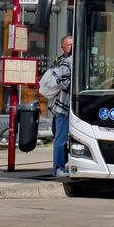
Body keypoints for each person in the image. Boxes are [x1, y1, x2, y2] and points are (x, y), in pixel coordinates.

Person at [45, 36, 73, 178]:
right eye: (69, 45)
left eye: (73, 45)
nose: (71, 47)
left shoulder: (70, 60)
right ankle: (58, 168)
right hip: (62, 106)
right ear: (63, 47)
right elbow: (59, 81)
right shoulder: (63, 62)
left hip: (68, 106)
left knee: (63, 137)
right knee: (61, 138)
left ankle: (63, 165)